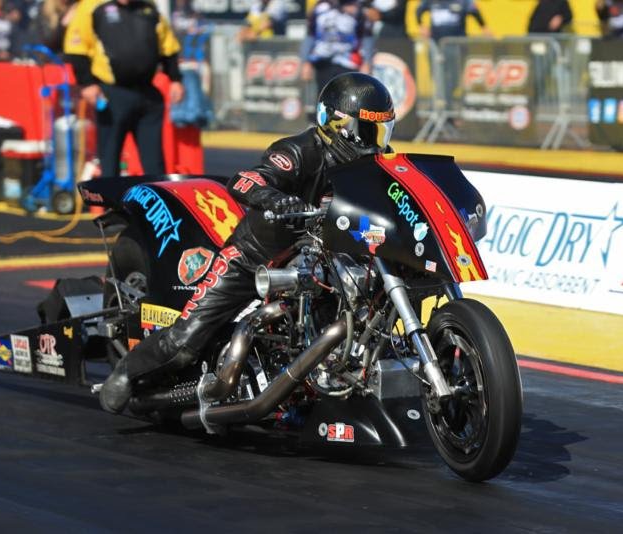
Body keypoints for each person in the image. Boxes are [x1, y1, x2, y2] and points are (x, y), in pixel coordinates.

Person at [101, 72, 397, 414]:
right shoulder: (299, 151)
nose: (374, 142)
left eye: (380, 131)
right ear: (333, 123)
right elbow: (245, 180)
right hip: (255, 259)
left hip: (324, 257)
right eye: (365, 131)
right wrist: (276, 199)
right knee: (185, 341)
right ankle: (125, 372)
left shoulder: (377, 163)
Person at [63, 0, 185, 179]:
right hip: (112, 93)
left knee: (155, 162)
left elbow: (168, 46)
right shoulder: (92, 7)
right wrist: (87, 83)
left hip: (147, 93)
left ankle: (157, 202)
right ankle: (112, 205)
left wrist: (175, 78)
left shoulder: (148, 8)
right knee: (110, 158)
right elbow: (76, 48)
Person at [301, 0, 374, 95]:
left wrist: (367, 63)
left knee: (348, 100)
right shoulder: (319, 7)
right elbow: (310, 36)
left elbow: (367, 36)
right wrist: (305, 62)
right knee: (324, 97)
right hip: (323, 63)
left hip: (348, 63)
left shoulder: (358, 8)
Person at [415, 0, 491, 40]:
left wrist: (484, 28)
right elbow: (419, 10)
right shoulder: (430, 1)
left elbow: (475, 12)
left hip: (457, 44)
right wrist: (421, 26)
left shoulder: (463, 1)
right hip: (437, 44)